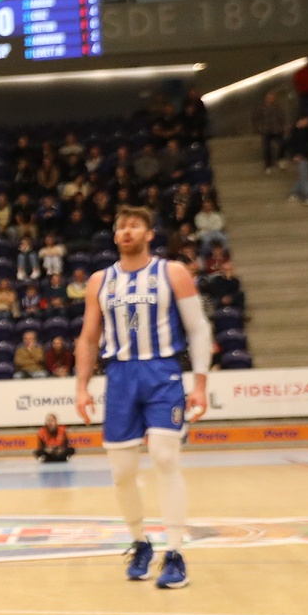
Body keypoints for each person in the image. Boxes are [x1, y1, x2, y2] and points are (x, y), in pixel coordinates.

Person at [75, 206, 213, 591]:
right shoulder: (100, 281)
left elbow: (199, 329)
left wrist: (199, 383)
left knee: (165, 457)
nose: (126, 231)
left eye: (134, 225)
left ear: (149, 233)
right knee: (121, 473)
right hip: (119, 376)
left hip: (161, 372)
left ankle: (174, 553)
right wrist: (81, 387)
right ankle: (140, 543)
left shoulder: (172, 273)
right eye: (120, 227)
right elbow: (87, 337)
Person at [254, 90, 290, 173]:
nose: (270, 99)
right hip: (266, 131)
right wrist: (260, 128)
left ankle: (281, 159)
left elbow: (282, 117)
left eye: (272, 98)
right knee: (267, 148)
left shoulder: (278, 107)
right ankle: (268, 165)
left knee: (283, 143)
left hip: (277, 130)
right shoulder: (261, 108)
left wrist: (283, 127)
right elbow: (256, 119)